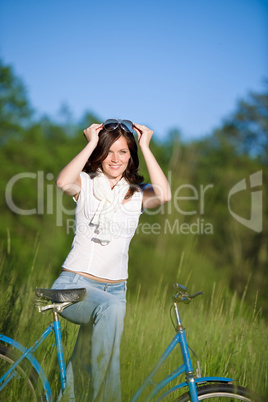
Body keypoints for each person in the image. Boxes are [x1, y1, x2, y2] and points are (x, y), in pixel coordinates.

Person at [51, 119, 171, 401]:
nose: (115, 159)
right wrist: (91, 142)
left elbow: (164, 195)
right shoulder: (86, 184)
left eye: (123, 152)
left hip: (116, 290)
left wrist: (145, 145)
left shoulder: (137, 194)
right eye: (109, 151)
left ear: (131, 157)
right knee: (112, 309)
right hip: (73, 284)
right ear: (99, 154)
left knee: (81, 370)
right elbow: (62, 181)